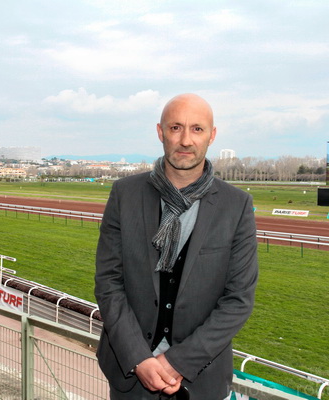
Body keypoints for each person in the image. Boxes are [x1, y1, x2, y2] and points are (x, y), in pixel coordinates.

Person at [95, 93, 259, 399]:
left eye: (197, 129)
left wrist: (176, 363)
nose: (185, 140)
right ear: (160, 132)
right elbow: (109, 284)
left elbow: (238, 300)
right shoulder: (124, 194)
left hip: (202, 379)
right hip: (131, 375)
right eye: (175, 128)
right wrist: (139, 358)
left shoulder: (236, 205)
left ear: (212, 135)